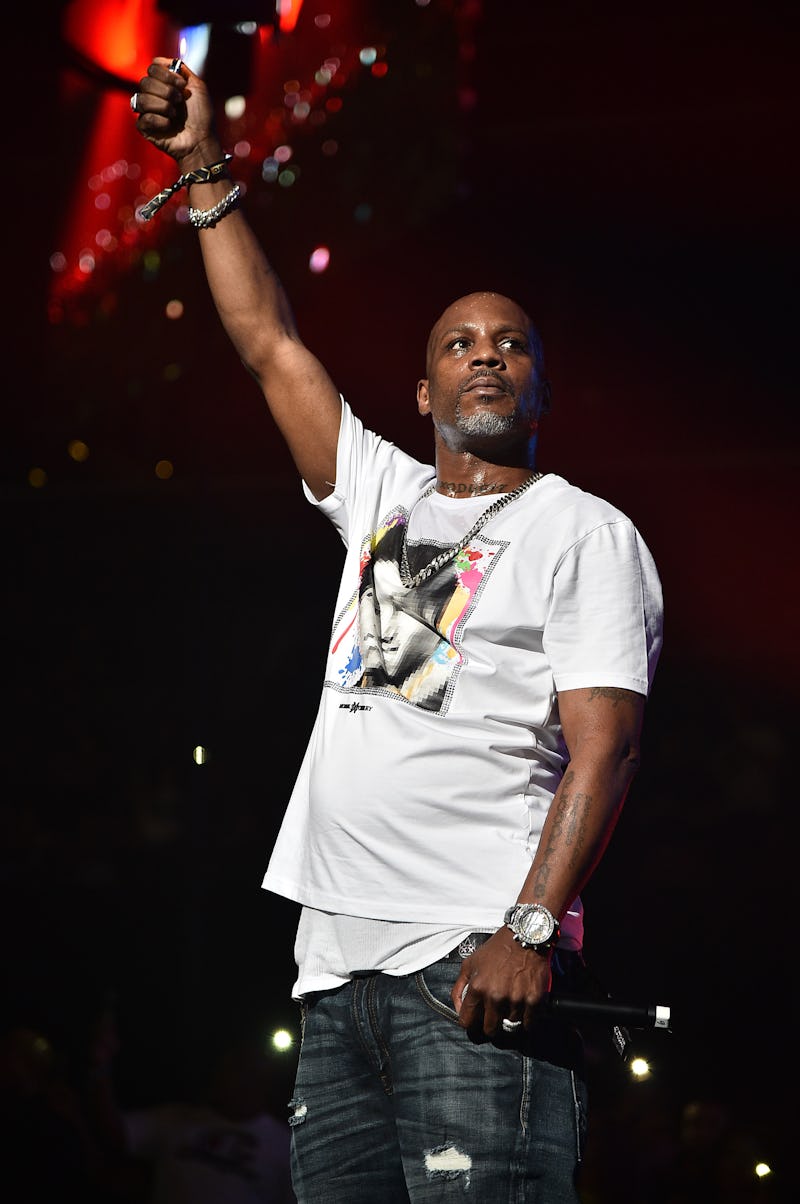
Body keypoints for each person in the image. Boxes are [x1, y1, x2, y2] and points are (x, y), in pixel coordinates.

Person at [131, 54, 664, 1204]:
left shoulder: (582, 530)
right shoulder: (380, 495)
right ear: (421, 392)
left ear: (540, 388)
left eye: (511, 343)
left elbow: (604, 746)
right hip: (334, 975)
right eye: (461, 342)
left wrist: (527, 926)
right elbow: (266, 338)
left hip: (470, 963)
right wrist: (201, 167)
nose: (486, 353)